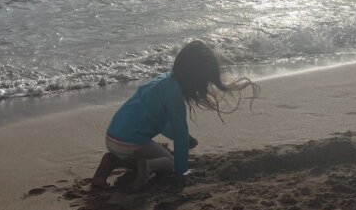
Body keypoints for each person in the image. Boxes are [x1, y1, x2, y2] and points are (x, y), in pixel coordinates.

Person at [90, 40, 259, 189]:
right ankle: (148, 166)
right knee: (169, 160)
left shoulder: (162, 80)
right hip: (131, 142)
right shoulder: (175, 96)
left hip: (112, 137)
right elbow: (180, 138)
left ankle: (109, 164)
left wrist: (186, 137)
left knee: (137, 154)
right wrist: (181, 171)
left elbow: (159, 122)